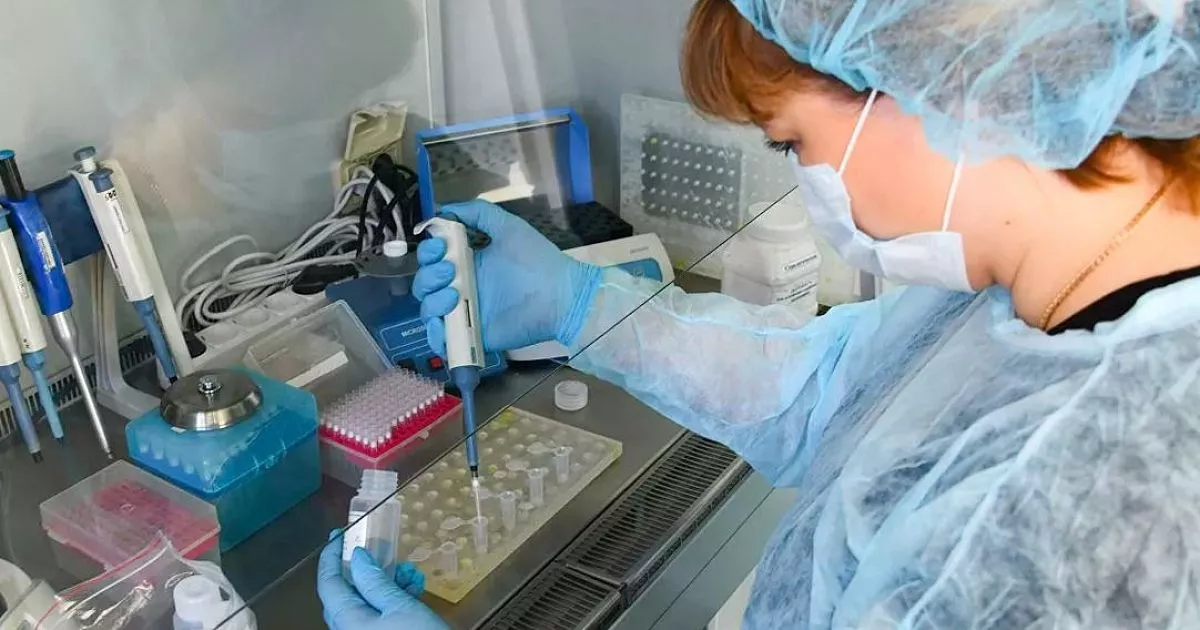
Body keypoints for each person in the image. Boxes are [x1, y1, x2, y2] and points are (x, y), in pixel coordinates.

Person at [320, 0, 1200, 627]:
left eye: (790, 142)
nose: (804, 178)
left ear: (930, 76)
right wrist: (576, 303)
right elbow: (824, 392)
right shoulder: (1036, 287)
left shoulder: (1104, 498)